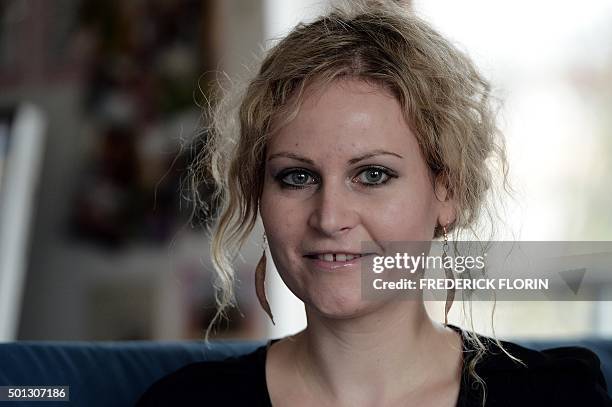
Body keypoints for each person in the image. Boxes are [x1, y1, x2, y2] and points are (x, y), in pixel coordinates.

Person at [137, 1, 611, 406]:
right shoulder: (183, 400)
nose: (330, 217)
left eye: (373, 175)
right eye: (296, 177)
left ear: (446, 192)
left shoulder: (556, 393)